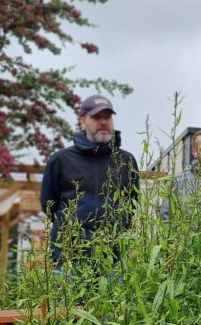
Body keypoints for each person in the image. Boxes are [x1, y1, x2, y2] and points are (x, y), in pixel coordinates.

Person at [40, 94, 139, 264]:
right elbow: (49, 205)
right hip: (70, 257)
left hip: (114, 258)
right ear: (82, 121)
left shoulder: (126, 160)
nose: (103, 122)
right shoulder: (61, 160)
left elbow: (132, 203)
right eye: (96, 117)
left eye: (107, 117)